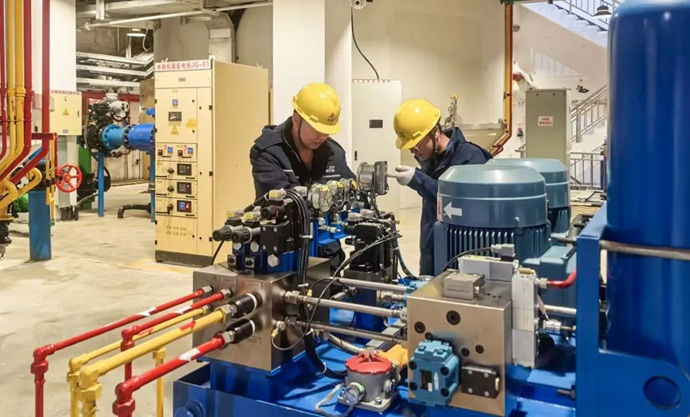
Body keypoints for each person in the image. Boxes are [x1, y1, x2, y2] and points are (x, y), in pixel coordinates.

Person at [249, 82, 355, 270]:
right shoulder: (268, 152)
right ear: (296, 119)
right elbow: (285, 202)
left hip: (327, 252)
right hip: (284, 254)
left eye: (327, 131)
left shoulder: (334, 153)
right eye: (317, 129)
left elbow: (350, 191)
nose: (323, 136)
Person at [388, 99, 492, 276]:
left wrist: (417, 179)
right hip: (431, 252)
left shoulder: (470, 158)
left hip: (458, 256)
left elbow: (460, 203)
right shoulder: (432, 160)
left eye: (416, 145)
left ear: (435, 132)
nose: (413, 152)